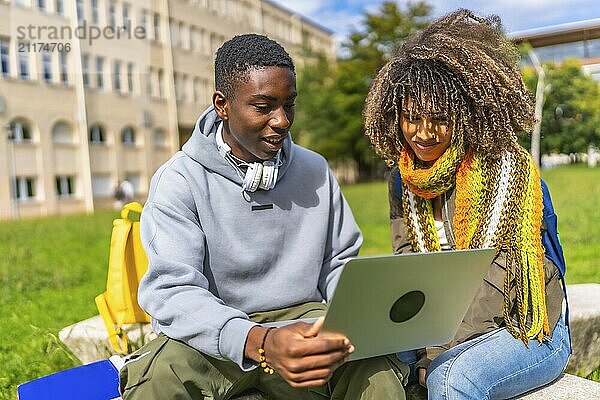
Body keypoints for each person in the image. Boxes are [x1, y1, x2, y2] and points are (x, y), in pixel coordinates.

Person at [119, 34, 408, 399]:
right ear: (222, 105)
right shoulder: (179, 179)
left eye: (290, 104)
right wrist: (259, 341)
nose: (282, 120)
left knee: (375, 369)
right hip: (214, 331)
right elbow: (173, 292)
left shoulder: (315, 169)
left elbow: (338, 265)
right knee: (157, 378)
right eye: (263, 106)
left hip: (305, 323)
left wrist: (357, 314)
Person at [363, 10, 570, 400]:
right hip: (440, 318)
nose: (422, 134)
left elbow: (497, 288)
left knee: (450, 377)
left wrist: (433, 354)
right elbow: (409, 264)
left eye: (439, 119)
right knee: (364, 358)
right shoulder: (402, 178)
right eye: (411, 117)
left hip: (526, 324)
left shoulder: (506, 173)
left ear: (466, 114)